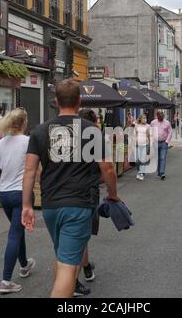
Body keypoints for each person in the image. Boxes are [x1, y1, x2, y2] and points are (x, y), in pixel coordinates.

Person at [21, 79, 120, 298]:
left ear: (56, 101)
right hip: (78, 204)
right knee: (67, 265)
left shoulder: (39, 131)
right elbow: (107, 167)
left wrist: (27, 204)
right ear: (80, 101)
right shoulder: (91, 130)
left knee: (63, 257)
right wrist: (113, 194)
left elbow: (29, 171)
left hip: (51, 206)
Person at [0, 108, 36, 294]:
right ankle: (5, 281)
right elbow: (38, 169)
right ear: (24, 123)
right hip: (22, 193)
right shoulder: (29, 142)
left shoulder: (2, 143)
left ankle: (24, 264)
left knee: (16, 229)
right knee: (14, 234)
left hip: (4, 194)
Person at [77, 109, 102, 292]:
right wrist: (113, 193)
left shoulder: (71, 136)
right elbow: (107, 168)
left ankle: (86, 268)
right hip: (88, 191)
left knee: (81, 235)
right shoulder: (95, 137)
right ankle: (73, 282)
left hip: (64, 192)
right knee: (79, 236)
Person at [150, 111, 172, 180]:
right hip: (155, 143)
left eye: (162, 117)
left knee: (162, 157)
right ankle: (159, 171)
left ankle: (162, 172)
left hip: (163, 143)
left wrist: (166, 142)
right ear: (157, 116)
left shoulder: (167, 123)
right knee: (157, 158)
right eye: (160, 117)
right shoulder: (153, 123)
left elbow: (170, 132)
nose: (161, 118)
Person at [134, 115, 151, 180]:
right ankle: (138, 171)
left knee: (143, 160)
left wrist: (150, 144)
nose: (145, 119)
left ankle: (142, 173)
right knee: (137, 160)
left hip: (145, 145)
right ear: (140, 119)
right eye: (143, 118)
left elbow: (149, 136)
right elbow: (134, 135)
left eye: (145, 118)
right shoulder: (136, 126)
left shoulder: (148, 126)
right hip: (137, 145)